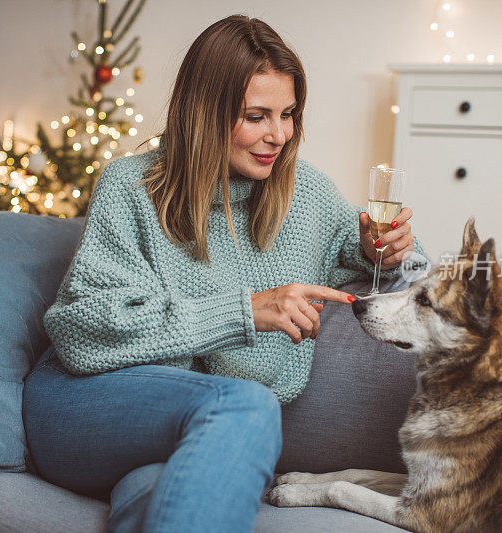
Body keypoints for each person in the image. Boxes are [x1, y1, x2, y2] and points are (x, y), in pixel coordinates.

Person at [22, 13, 427, 533]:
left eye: (289, 114)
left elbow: (417, 274)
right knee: (247, 408)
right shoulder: (131, 188)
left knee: (162, 505)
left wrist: (388, 252)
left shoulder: (303, 194)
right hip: (85, 407)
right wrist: (244, 311)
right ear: (205, 112)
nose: (278, 135)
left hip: (190, 433)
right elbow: (82, 332)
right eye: (256, 116)